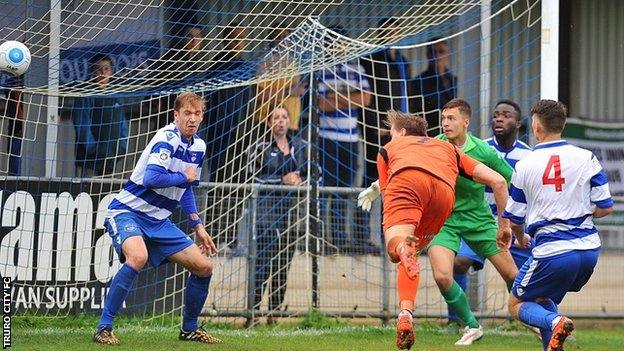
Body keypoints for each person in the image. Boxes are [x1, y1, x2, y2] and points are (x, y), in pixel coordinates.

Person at [359, 98, 518, 346]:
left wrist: (508, 222)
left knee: (512, 274)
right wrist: (376, 187)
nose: (445, 123)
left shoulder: (483, 150)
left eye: (451, 118)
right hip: (446, 217)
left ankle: (543, 319)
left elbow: (508, 180)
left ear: (466, 122)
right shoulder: (440, 145)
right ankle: (471, 325)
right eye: (443, 118)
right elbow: (415, 165)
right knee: (443, 275)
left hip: (478, 220)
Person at [92, 92, 221, 345]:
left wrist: (198, 226)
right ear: (176, 115)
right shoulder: (166, 138)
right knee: (137, 257)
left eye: (197, 114)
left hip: (159, 221)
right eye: (187, 113)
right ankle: (103, 328)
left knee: (204, 267)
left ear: (202, 117)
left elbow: (186, 189)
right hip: (128, 211)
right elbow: (153, 178)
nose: (192, 119)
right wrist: (185, 177)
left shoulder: (199, 147)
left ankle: (189, 329)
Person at [502, 100, 613, 351]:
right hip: (589, 252)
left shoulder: (525, 164)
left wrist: (520, 239)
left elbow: (515, 218)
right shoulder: (587, 157)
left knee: (516, 304)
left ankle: (556, 321)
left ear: (537, 126)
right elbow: (605, 207)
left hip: (553, 251)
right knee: (542, 296)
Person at [449, 99, 534, 324]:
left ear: (518, 123)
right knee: (458, 263)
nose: (499, 118)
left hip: (513, 224)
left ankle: (521, 316)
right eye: (496, 114)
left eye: (506, 115)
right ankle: (456, 319)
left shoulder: (528, 156)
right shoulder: (480, 147)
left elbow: (527, 190)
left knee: (520, 275)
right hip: (480, 220)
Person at [245, 107, 310, 326]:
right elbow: (253, 178)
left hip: (292, 217)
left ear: (289, 121)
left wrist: (301, 179)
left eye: (284, 117)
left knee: (283, 266)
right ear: (269, 123)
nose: (280, 121)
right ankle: (252, 312)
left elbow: (316, 173)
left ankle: (274, 313)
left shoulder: (301, 147)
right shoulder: (259, 147)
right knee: (262, 264)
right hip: (266, 215)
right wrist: (281, 181)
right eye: (276, 118)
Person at [317, 26, 373, 252]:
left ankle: (339, 240)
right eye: (334, 42)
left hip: (350, 139)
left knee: (344, 189)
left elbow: (366, 98)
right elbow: (321, 103)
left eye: (341, 42)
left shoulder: (357, 68)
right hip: (326, 138)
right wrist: (350, 97)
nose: (339, 47)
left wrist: (336, 98)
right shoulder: (321, 68)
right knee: (324, 189)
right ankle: (321, 239)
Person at [359, 17, 412, 183]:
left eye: (393, 32)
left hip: (399, 127)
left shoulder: (403, 62)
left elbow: (405, 93)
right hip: (379, 128)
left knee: (394, 173)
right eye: (386, 32)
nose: (390, 36)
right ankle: (363, 209)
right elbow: (368, 93)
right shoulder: (371, 60)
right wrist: (377, 125)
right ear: (379, 35)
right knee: (373, 173)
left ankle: (388, 210)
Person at [72, 54, 128, 177]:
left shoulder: (116, 95)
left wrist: (122, 147)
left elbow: (123, 124)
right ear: (92, 71)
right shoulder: (86, 94)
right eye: (98, 69)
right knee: (86, 194)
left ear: (111, 71)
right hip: (90, 161)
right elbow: (82, 124)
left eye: (106, 69)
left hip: (112, 158)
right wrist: (94, 149)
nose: (103, 73)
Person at [409, 38, 457, 136]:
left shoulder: (452, 79)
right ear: (427, 55)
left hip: (448, 132)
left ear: (447, 54)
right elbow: (415, 113)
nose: (437, 56)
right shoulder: (418, 81)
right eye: (433, 52)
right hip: (429, 135)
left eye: (441, 52)